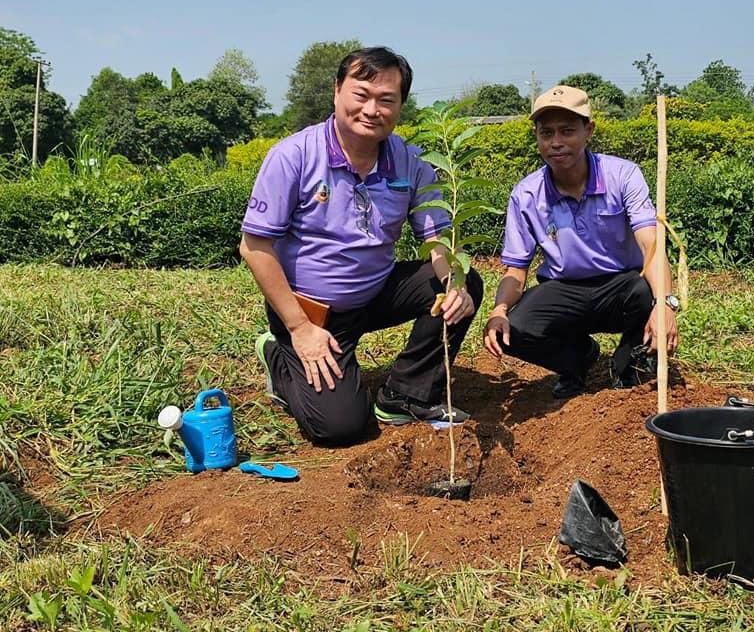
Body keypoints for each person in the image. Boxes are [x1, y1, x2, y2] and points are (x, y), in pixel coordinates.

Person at [240, 46, 483, 445]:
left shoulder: (409, 160)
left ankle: (405, 394)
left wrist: (453, 283)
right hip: (312, 311)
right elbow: (254, 247)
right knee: (341, 428)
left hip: (375, 292)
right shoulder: (293, 156)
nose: (372, 109)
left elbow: (436, 238)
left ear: (401, 105)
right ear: (337, 91)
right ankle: (279, 357)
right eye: (361, 95)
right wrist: (299, 328)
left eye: (386, 100)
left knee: (463, 280)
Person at [483, 85, 679, 398]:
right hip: (564, 290)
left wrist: (665, 304)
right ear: (537, 137)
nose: (556, 143)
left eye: (567, 131)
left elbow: (650, 246)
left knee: (645, 292)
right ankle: (577, 360)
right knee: (516, 329)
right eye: (546, 133)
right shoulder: (527, 194)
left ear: (589, 130)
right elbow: (515, 270)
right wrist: (499, 309)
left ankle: (629, 363)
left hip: (621, 287)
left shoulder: (622, 175)